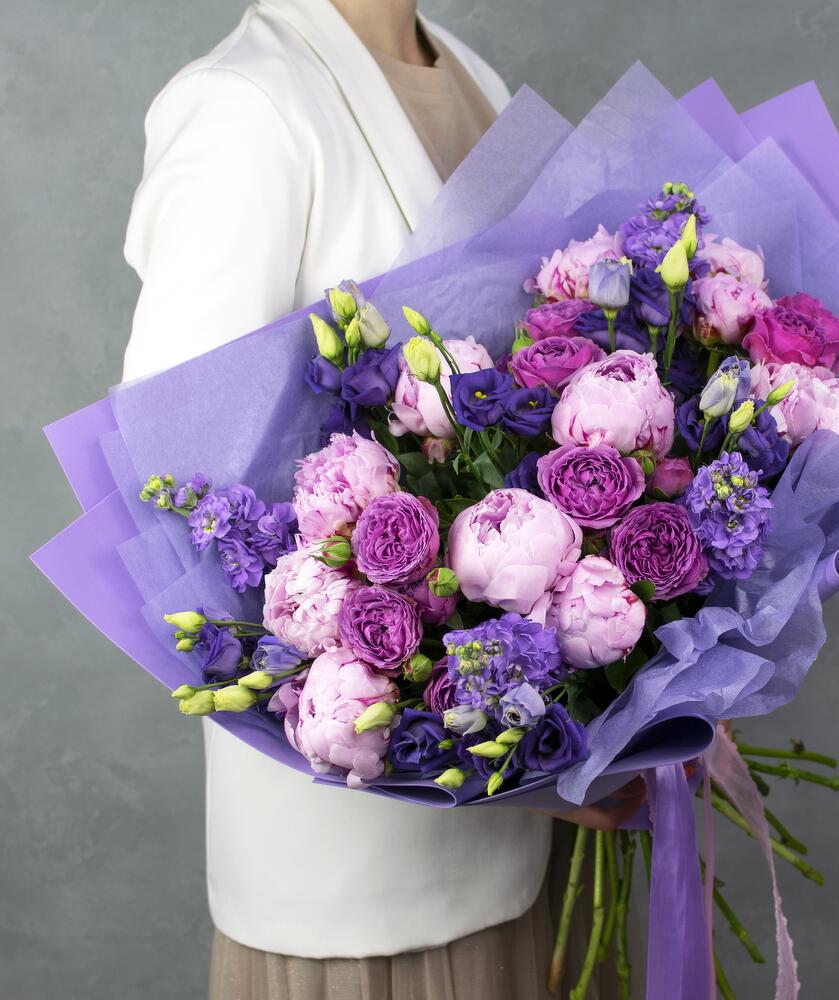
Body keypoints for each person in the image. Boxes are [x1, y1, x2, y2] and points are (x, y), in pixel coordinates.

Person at [122, 1, 644, 996]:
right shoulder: (243, 107)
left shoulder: (471, 74)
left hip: (525, 852)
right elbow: (183, 512)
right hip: (359, 876)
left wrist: (600, 702)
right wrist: (501, 745)